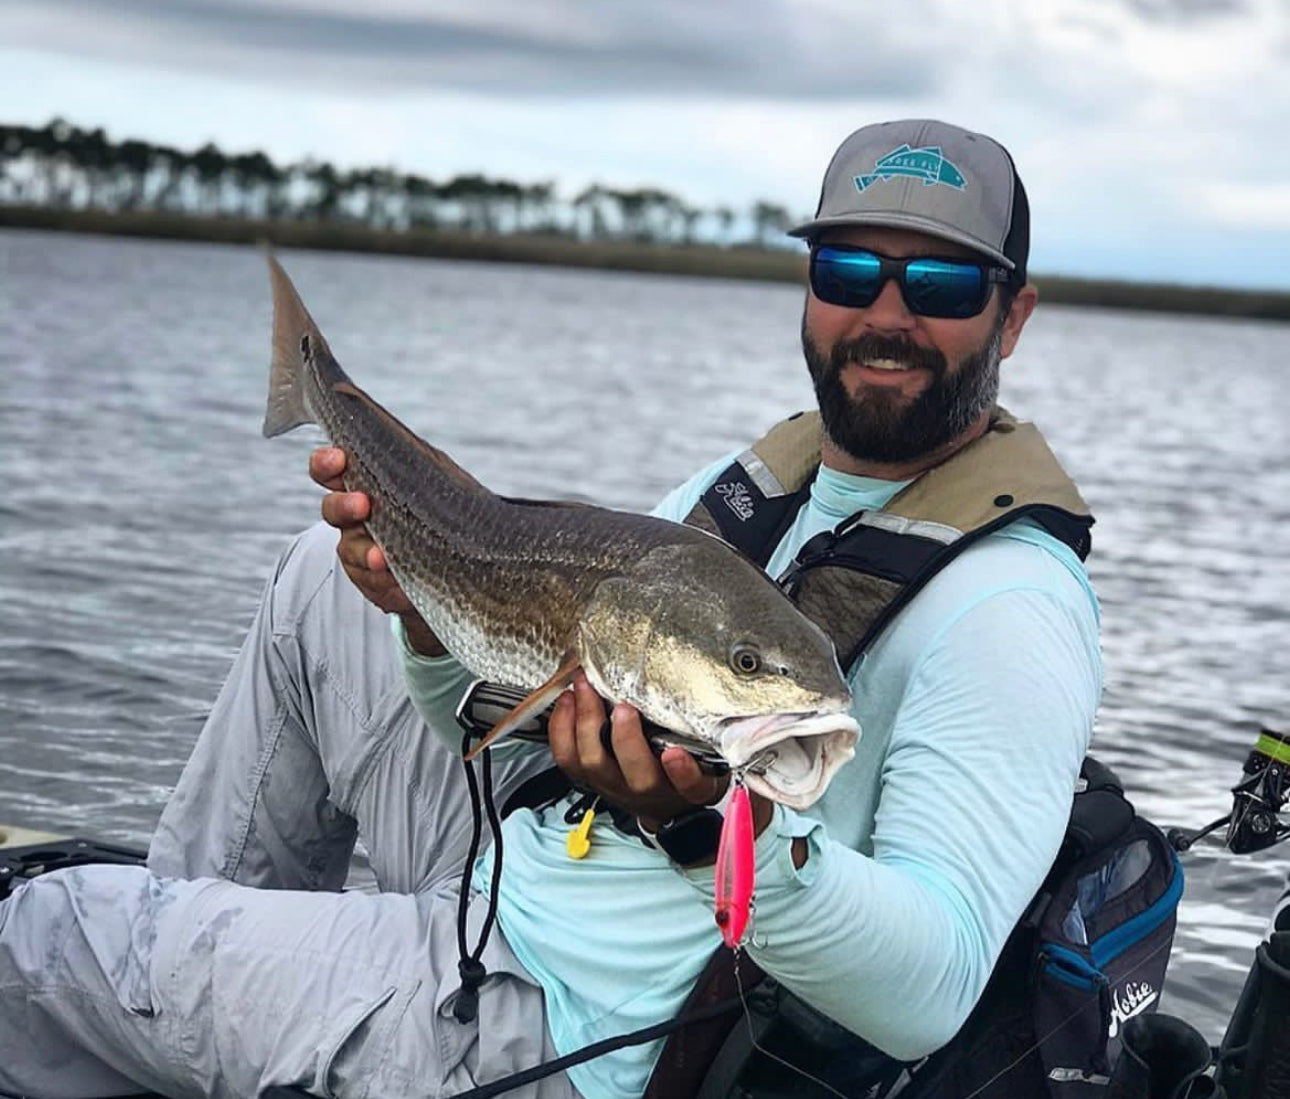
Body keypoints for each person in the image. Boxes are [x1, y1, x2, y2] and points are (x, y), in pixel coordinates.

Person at [0, 119, 1100, 1099]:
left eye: (943, 285)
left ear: (1012, 317)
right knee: (317, 581)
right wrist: (428, 618)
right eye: (849, 269)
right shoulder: (773, 485)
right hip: (531, 856)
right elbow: (500, 716)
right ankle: (183, 988)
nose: (886, 314)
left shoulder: (1011, 609)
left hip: (564, 1019)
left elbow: (932, 990)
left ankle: (157, 982)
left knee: (36, 938)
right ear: (811, 287)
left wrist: (702, 828)